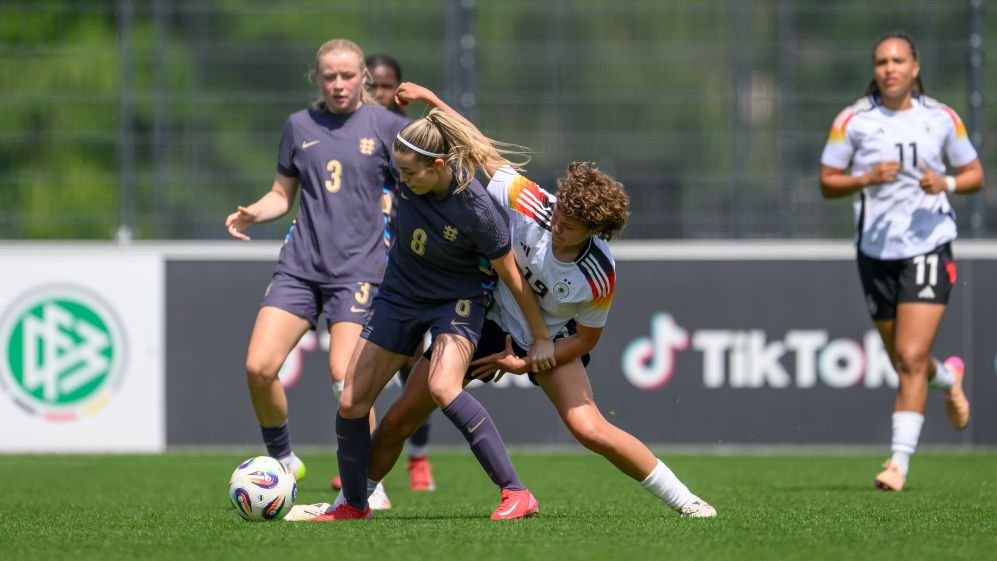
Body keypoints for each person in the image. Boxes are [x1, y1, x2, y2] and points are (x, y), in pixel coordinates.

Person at [354, 83, 716, 519]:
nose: (557, 224)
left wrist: (529, 360)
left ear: (595, 230)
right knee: (399, 419)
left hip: (552, 340)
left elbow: (586, 341)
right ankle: (355, 501)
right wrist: (434, 105)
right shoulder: (531, 202)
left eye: (570, 225)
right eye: (559, 213)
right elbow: (476, 147)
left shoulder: (599, 276)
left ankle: (686, 501)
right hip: (489, 320)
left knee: (589, 429)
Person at [298, 94, 557, 522]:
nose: (401, 179)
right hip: (399, 295)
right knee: (351, 402)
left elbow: (513, 278)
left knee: (441, 387)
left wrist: (542, 337)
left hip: (455, 302)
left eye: (408, 173)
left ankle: (516, 492)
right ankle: (352, 505)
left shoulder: (476, 209)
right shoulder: (409, 172)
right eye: (398, 169)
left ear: (437, 166)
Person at [224, 38, 408, 509]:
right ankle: (285, 462)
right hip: (300, 268)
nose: (339, 84)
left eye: (348, 75)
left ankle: (368, 483)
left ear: (364, 76)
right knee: (258, 367)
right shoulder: (298, 126)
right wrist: (252, 214)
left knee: (346, 378)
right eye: (330, 76)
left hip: (360, 271)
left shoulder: (387, 126)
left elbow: (416, 189)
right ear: (317, 78)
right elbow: (281, 195)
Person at [819, 31, 983, 491]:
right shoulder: (852, 121)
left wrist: (946, 184)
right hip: (875, 253)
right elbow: (827, 182)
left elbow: (974, 174)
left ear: (915, 67)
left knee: (910, 357)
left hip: (929, 245)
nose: (889, 68)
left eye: (897, 60)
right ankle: (948, 378)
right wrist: (865, 177)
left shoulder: (942, 118)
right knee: (905, 360)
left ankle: (898, 464)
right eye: (881, 61)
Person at [365, 53, 437, 493]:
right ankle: (361, 459)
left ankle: (417, 457)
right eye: (371, 85)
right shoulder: (349, 134)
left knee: (415, 368)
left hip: (407, 263)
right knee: (357, 367)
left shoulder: (409, 139)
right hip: (359, 263)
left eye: (386, 85)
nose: (378, 93)